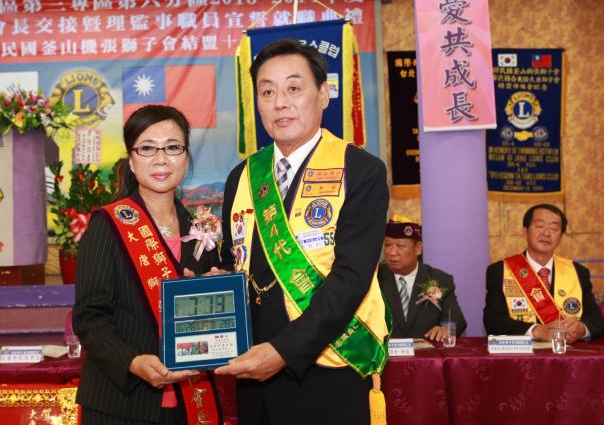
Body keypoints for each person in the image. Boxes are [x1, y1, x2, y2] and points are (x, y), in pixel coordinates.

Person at [216, 39, 390, 424]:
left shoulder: (360, 170)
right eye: (267, 92)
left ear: (323, 94)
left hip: (328, 370)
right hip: (253, 373)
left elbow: (351, 279)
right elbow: (233, 263)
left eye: (293, 88)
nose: (280, 102)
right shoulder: (242, 176)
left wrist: (282, 351)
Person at [73, 105, 224, 425]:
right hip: (122, 405)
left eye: (172, 147)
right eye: (147, 148)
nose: (161, 159)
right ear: (131, 159)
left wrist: (220, 293)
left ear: (186, 156)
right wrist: (133, 362)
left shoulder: (201, 230)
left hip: (189, 401)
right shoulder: (107, 225)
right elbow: (89, 317)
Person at [483, 203, 604, 342]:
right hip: (522, 353)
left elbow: (597, 321)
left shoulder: (578, 272)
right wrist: (537, 331)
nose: (546, 233)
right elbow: (493, 321)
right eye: (540, 226)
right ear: (525, 232)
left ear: (561, 237)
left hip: (566, 352)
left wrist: (581, 329)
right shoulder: (501, 271)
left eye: (554, 228)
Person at [377, 216, 466, 341]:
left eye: (400, 246)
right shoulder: (373, 280)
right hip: (385, 352)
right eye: (387, 245)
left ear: (418, 248)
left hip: (427, 352)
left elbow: (456, 319)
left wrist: (446, 329)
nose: (392, 252)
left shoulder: (440, 279)